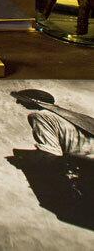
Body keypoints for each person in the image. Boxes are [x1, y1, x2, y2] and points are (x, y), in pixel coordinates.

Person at [7, 89, 94, 231]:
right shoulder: (79, 117)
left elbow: (51, 151)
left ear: (34, 101)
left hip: (87, 167)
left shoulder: (39, 116)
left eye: (21, 100)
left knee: (69, 211)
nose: (18, 102)